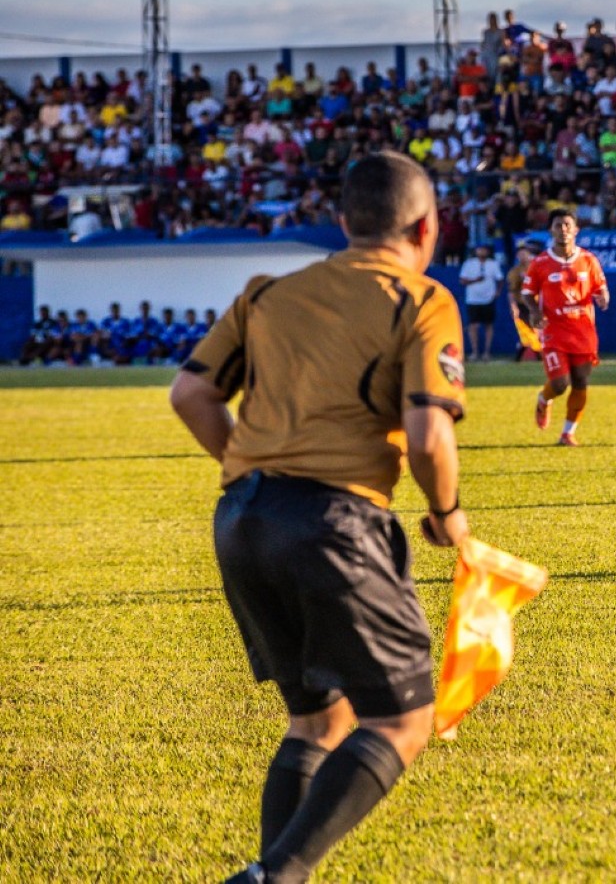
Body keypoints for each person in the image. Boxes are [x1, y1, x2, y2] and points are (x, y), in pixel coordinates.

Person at [168, 152, 470, 884]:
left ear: (343, 222)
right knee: (402, 720)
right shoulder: (421, 300)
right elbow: (429, 435)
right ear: (428, 226)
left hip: (242, 518)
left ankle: (275, 873)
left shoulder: (269, 293)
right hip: (334, 521)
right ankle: (274, 878)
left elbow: (190, 395)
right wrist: (447, 515)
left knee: (318, 720)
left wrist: (251, 472)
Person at [520, 208, 609, 447]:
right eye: (558, 225)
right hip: (554, 330)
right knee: (560, 384)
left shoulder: (589, 260)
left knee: (580, 381)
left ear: (576, 230)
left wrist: (603, 297)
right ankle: (543, 398)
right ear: (551, 230)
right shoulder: (540, 263)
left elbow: (601, 287)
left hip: (583, 330)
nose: (563, 230)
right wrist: (535, 311)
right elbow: (527, 293)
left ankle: (568, 433)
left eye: (568, 225)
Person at [458, 241, 503, 362]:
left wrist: (497, 292)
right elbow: (462, 281)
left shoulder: (493, 264)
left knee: (488, 324)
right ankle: (474, 351)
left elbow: (500, 279)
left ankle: (486, 352)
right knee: (473, 325)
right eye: (479, 249)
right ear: (476, 251)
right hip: (473, 299)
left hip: (488, 298)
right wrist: (475, 280)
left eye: (484, 249)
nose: (482, 252)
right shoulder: (469, 264)